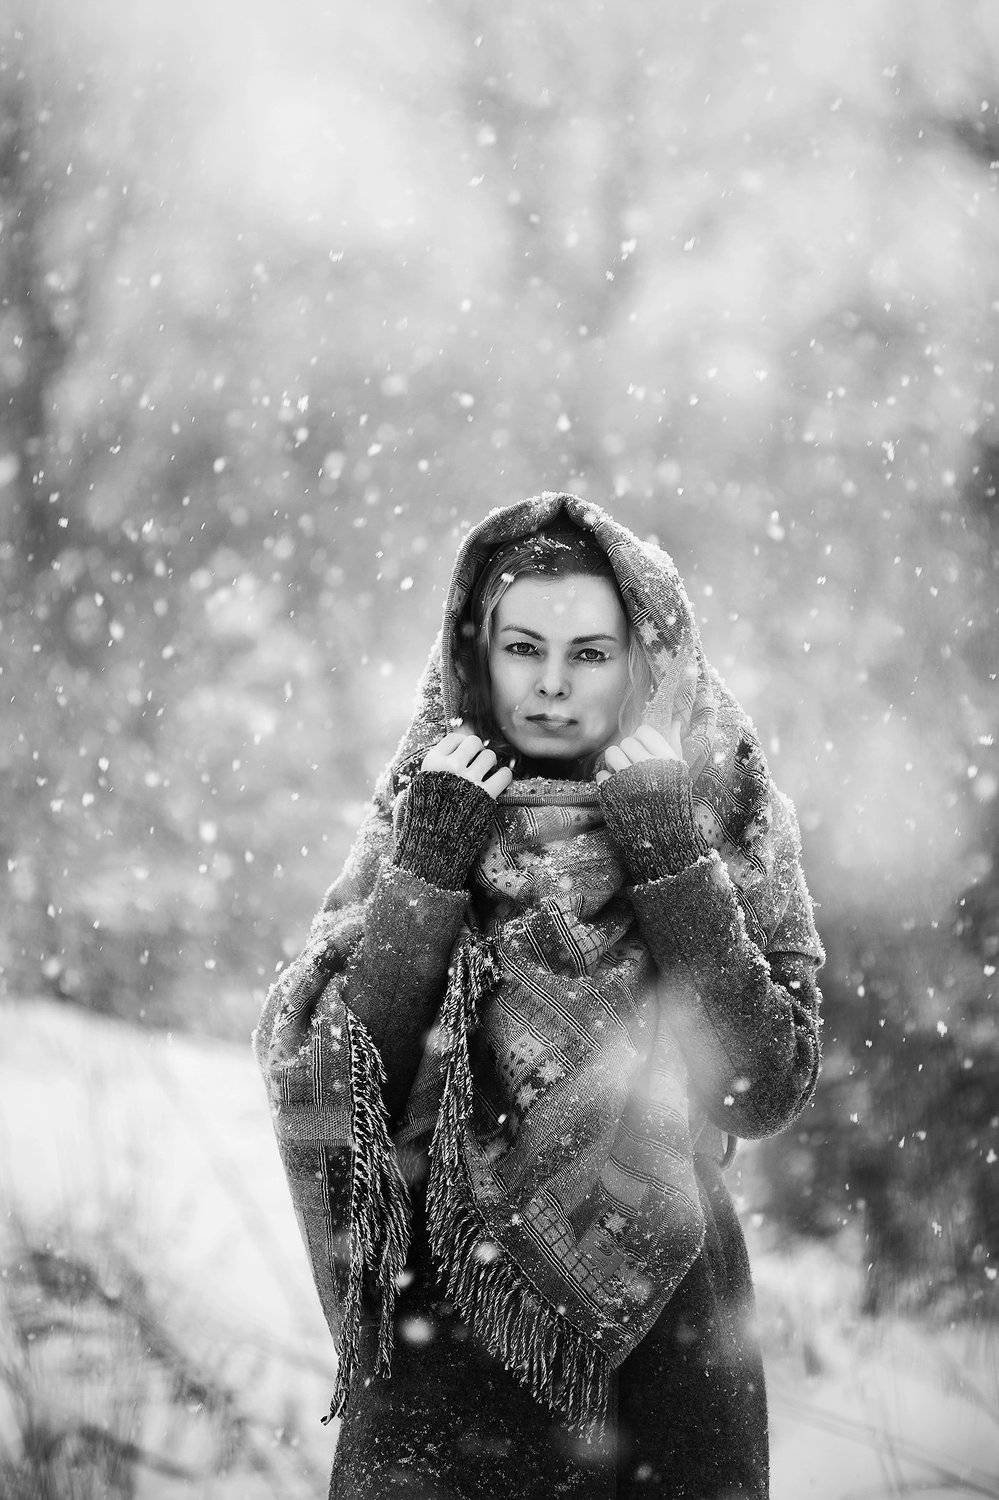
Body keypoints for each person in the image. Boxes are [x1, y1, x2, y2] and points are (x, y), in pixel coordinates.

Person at [253, 492, 825, 1499]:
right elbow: (348, 1079)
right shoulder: (427, 802)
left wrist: (672, 857)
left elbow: (761, 1088)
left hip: (672, 1340)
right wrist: (429, 871)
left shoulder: (717, 804)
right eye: (524, 648)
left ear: (646, 657)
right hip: (445, 1341)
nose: (553, 685)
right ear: (479, 654)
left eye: (591, 654)